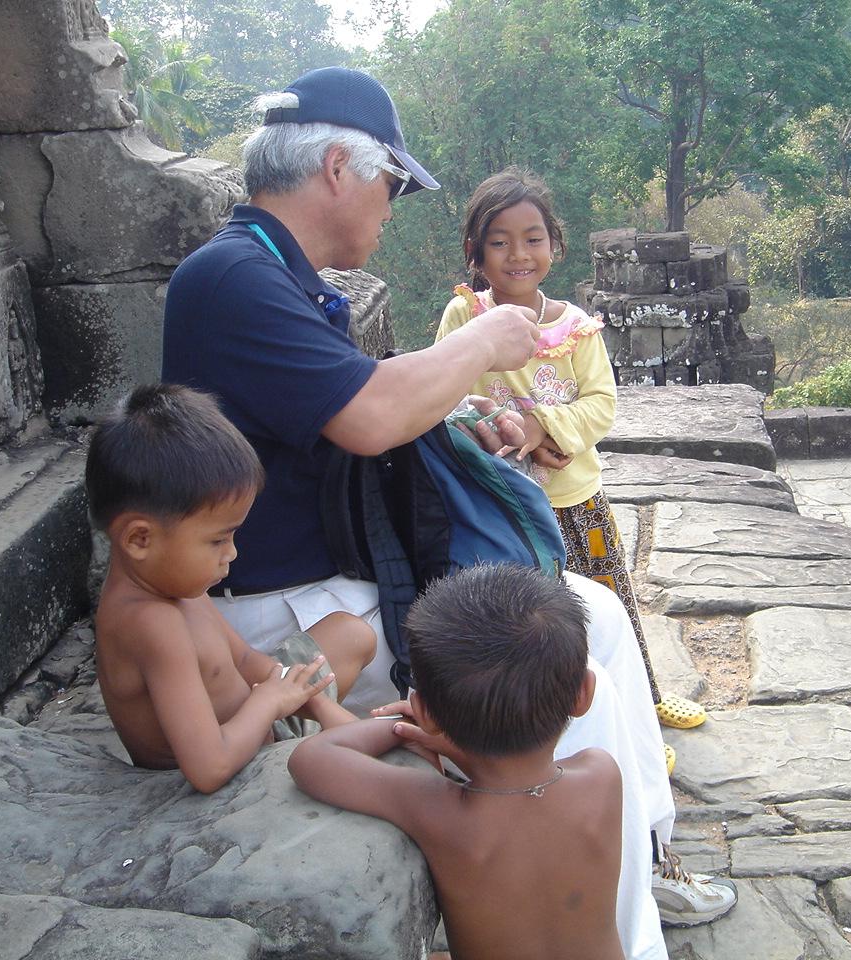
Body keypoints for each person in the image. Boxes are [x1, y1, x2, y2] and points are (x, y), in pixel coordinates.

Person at [161, 66, 726, 949]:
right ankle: (621, 924)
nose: (392, 210)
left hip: (343, 579)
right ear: (339, 169)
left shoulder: (277, 274)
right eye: (391, 184)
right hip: (295, 605)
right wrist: (484, 342)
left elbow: (357, 403)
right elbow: (367, 414)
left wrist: (461, 411)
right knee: (572, 669)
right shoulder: (234, 278)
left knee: (598, 614)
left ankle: (646, 856)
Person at [435, 168, 711, 760]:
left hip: (574, 499)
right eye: (500, 241)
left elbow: (601, 404)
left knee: (612, 610)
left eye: (532, 238)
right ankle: (559, 729)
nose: (518, 254)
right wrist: (506, 432)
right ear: (475, 251)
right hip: (501, 503)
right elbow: (443, 391)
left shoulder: (576, 328)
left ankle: (641, 711)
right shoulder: (464, 317)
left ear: (554, 246)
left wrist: (543, 428)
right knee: (533, 625)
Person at [290, 565, 625, 960]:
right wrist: (448, 735)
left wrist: (403, 727)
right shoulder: (601, 774)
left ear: (425, 712)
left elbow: (312, 758)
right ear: (584, 693)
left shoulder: (440, 812)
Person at [86, 383, 371, 793]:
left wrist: (316, 704)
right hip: (229, 776)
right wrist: (269, 702)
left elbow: (245, 659)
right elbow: (209, 768)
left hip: (260, 723)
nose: (232, 554)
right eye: (217, 540)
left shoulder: (175, 585)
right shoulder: (152, 624)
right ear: (140, 539)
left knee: (351, 633)